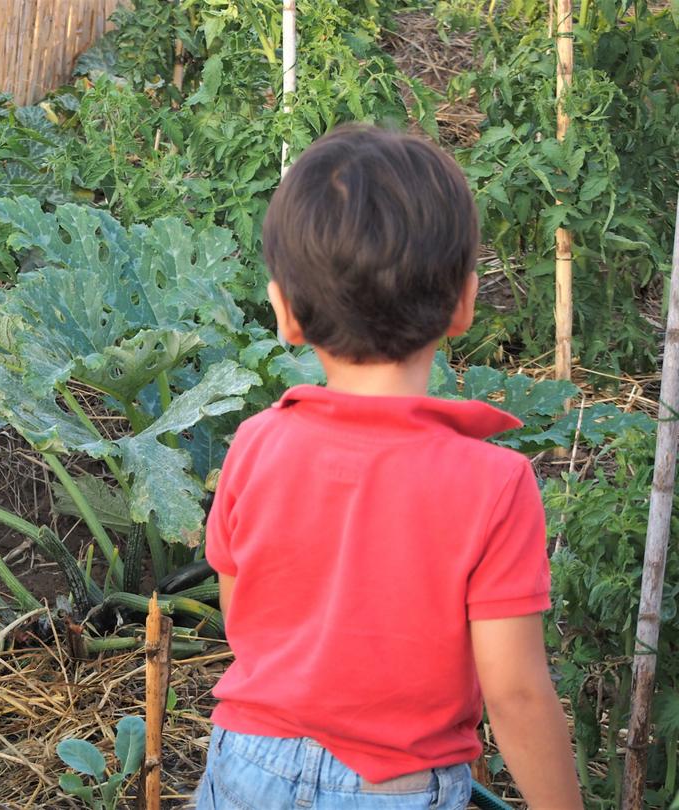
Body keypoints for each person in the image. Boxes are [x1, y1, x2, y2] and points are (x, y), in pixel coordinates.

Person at [195, 125, 583, 809]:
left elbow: (241, 613)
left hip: (247, 758)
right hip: (397, 784)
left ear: (284, 312)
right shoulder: (494, 484)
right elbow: (515, 691)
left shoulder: (254, 442)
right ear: (463, 304)